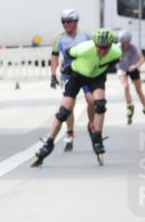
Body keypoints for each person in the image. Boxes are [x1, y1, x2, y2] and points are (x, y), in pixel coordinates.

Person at [32, 28, 120, 167]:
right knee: (64, 112)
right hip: (77, 75)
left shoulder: (116, 52)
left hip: (96, 76)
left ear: (111, 46)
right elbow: (67, 54)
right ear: (94, 44)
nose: (102, 51)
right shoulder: (84, 48)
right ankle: (48, 143)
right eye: (99, 48)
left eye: (106, 48)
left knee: (100, 104)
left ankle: (97, 138)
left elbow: (114, 61)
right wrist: (66, 68)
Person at [49, 9, 93, 152]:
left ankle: (91, 124)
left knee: (91, 100)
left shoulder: (86, 36)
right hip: (69, 75)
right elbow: (54, 58)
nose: (66, 24)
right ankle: (69, 132)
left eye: (69, 21)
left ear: (76, 22)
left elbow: (95, 53)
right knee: (68, 106)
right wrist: (53, 75)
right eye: (63, 22)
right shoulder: (59, 39)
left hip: (85, 73)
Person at [117, 31, 145, 125]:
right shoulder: (117, 48)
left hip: (133, 68)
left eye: (125, 42)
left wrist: (136, 65)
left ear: (129, 41)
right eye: (122, 42)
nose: (123, 44)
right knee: (125, 87)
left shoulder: (133, 48)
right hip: (122, 69)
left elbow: (142, 59)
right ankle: (130, 106)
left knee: (139, 90)